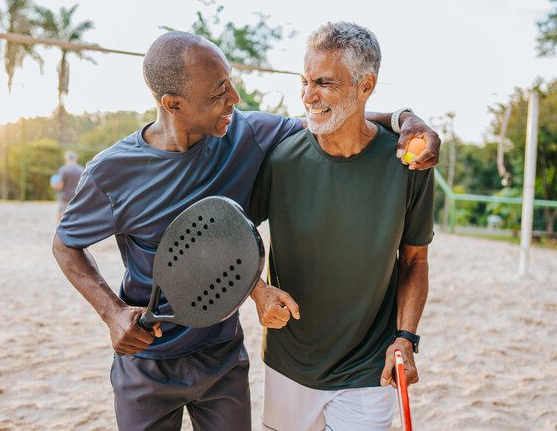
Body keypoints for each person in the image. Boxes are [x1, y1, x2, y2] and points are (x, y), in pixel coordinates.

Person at [51, 30, 439, 430]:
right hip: (147, 360)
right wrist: (111, 312)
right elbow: (65, 245)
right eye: (219, 91)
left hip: (222, 355)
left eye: (230, 82)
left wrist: (407, 120)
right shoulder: (113, 171)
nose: (234, 98)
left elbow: (333, 118)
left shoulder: (247, 133)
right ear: (173, 104)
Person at [249, 22, 434, 430]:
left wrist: (406, 337)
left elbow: (415, 260)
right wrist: (257, 292)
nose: (308, 96)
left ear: (365, 86)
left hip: (370, 367)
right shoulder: (280, 158)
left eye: (324, 83)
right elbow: (236, 233)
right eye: (305, 81)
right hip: (288, 362)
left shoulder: (408, 163)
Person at [51, 151, 85, 221]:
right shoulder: (82, 169)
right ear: (76, 159)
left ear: (66, 159)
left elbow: (60, 186)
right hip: (77, 197)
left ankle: (59, 231)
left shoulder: (64, 169)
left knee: (61, 216)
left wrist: (53, 185)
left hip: (65, 198)